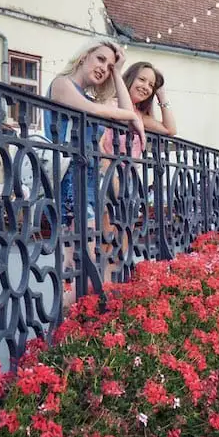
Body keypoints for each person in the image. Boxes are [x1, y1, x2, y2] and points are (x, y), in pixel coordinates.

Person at [45, 38, 144, 272]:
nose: (103, 68)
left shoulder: (90, 97)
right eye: (100, 59)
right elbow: (93, 110)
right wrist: (130, 118)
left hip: (87, 183)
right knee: (76, 262)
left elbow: (126, 113)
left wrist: (118, 73)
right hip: (68, 179)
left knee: (81, 264)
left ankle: (76, 308)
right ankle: (70, 309)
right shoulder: (62, 83)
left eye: (108, 65)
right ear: (83, 56)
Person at [123, 62, 177, 137]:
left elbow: (170, 130)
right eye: (142, 79)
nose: (146, 87)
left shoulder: (139, 115)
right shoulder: (110, 102)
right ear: (129, 78)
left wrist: (161, 95)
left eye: (151, 85)